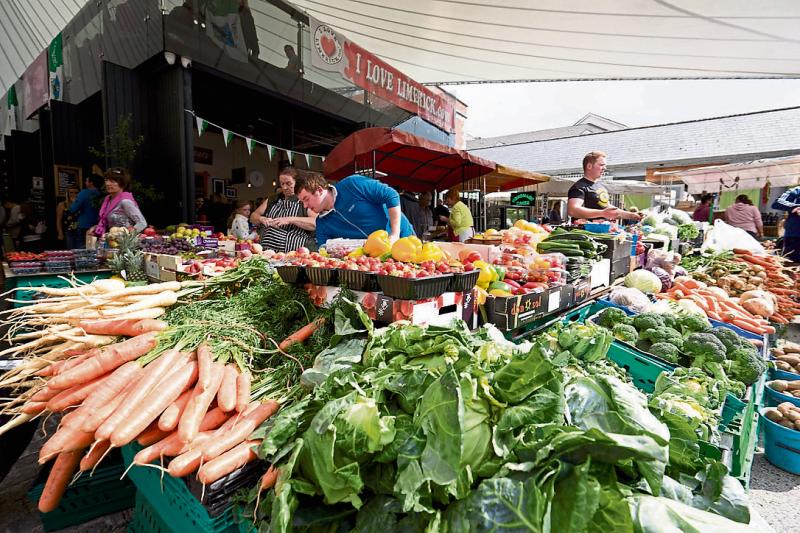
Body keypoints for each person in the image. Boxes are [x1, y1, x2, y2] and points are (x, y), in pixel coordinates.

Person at [294, 173, 414, 248]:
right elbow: (324, 253)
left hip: (404, 237)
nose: (305, 206)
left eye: (306, 199)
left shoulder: (352, 184)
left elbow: (391, 195)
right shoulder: (321, 224)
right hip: (376, 258)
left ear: (320, 190)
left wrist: (394, 234)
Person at [251, 167, 316, 252]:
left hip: (295, 253)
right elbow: (253, 217)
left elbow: (316, 223)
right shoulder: (273, 199)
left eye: (288, 183)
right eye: (282, 184)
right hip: (267, 253)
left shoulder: (304, 199)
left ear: (297, 182)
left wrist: (290, 219)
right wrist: (261, 219)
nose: (284, 187)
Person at [567, 151, 641, 222]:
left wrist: (632, 215)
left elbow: (608, 208)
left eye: (605, 165)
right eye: (601, 165)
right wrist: (602, 213)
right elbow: (573, 210)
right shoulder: (579, 187)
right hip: (585, 230)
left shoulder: (599, 186)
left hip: (603, 229)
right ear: (589, 166)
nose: (604, 168)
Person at [91, 168, 147, 237]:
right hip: (111, 240)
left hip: (124, 241)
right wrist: (96, 227)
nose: (108, 184)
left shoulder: (125, 201)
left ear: (122, 184)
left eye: (113, 181)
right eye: (106, 180)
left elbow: (142, 223)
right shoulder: (108, 200)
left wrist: (126, 234)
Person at [67, 175, 103, 249]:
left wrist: (74, 201)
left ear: (91, 183)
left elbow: (73, 209)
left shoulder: (84, 193)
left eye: (86, 181)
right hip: (99, 225)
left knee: (82, 247)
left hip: (84, 225)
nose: (85, 183)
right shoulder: (102, 194)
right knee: (95, 248)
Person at [772, 186, 800, 262]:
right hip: (794, 237)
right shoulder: (796, 191)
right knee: (791, 264)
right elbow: (777, 203)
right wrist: (796, 206)